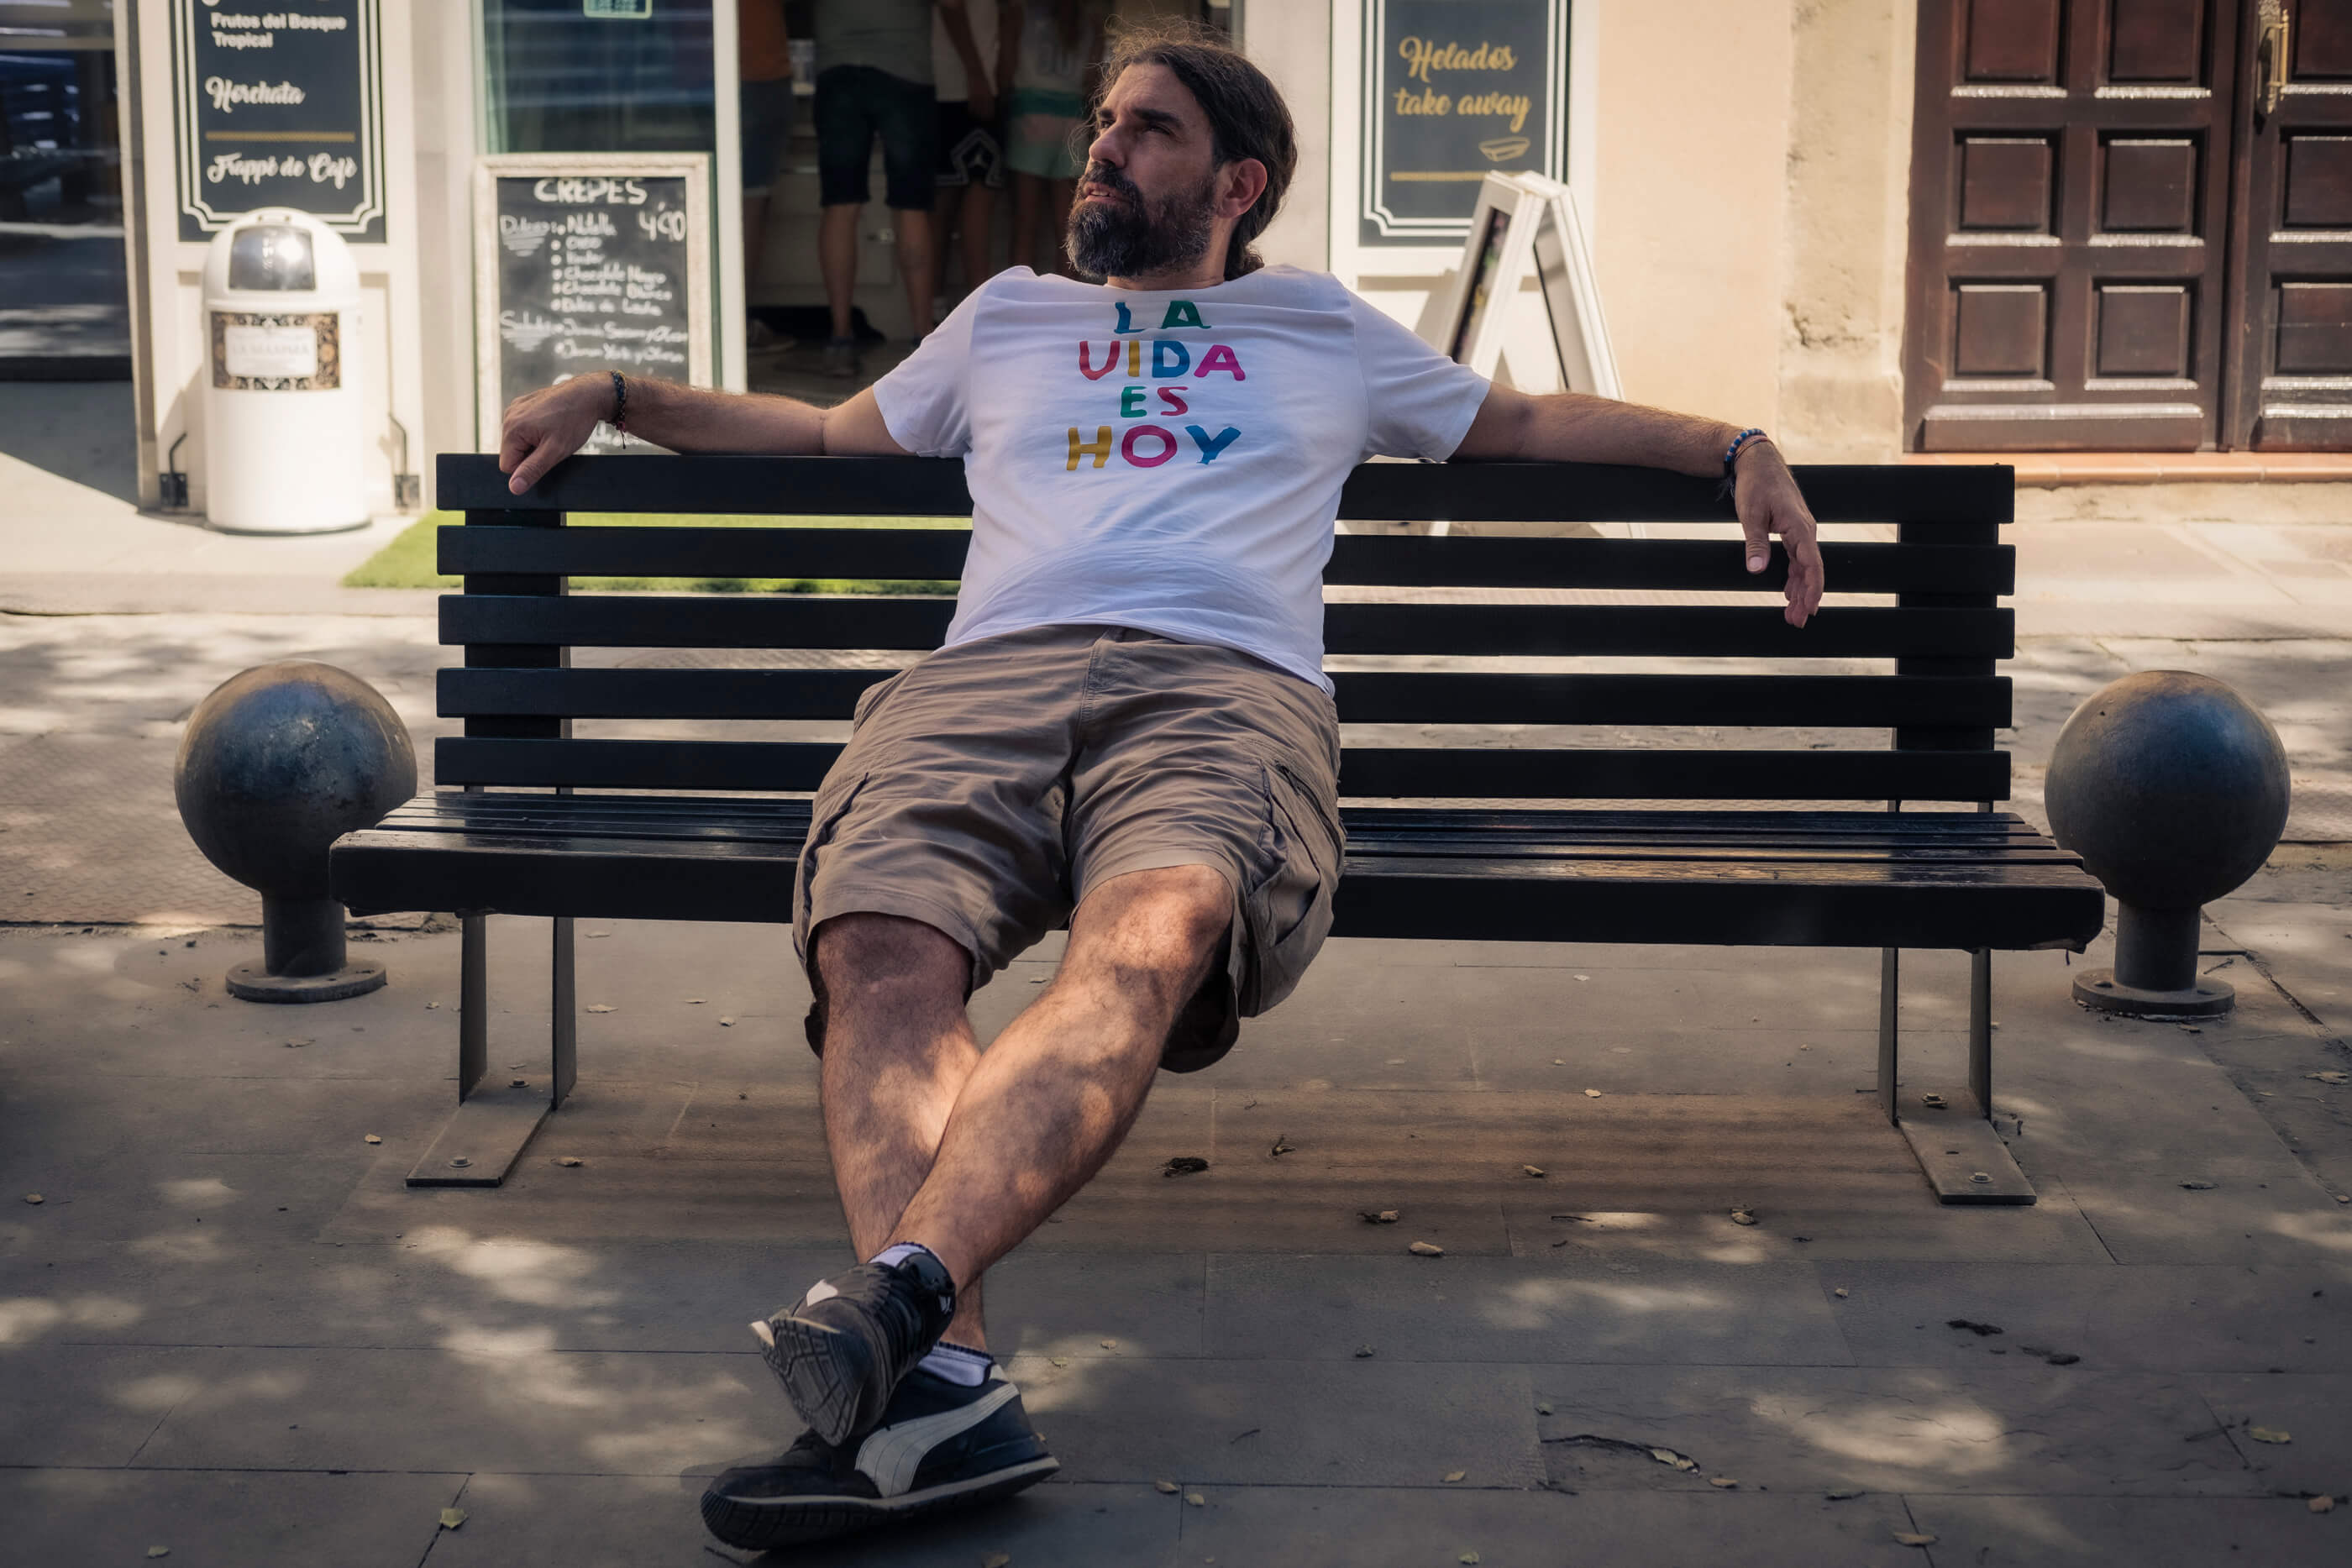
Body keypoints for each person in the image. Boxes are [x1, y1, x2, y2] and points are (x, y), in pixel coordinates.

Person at [495, 20, 1826, 1553]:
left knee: (1151, 929)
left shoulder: (1323, 329)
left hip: (1220, 695)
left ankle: (902, 1320)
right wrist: (611, 387)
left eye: (1148, 129)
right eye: (1106, 121)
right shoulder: (1005, 317)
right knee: (877, 942)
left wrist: (1734, 440)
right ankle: (940, 1389)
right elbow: (815, 427)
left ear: (1237, 181)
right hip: (983, 687)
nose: (1103, 146)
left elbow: (1521, 421)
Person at [811, 0, 971, 375]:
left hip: (837, 69)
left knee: (840, 205)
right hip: (905, 70)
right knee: (911, 206)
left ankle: (840, 340)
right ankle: (922, 339)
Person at [930, 0, 1018, 313]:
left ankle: (941, 304)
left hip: (959, 85)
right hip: (967, 88)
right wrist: (979, 76)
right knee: (973, 198)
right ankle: (975, 307)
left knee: (948, 201)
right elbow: (951, 8)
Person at [1004, 0, 1105, 275]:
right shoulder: (1089, 20)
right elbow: (1093, 81)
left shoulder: (1020, 12)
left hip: (1029, 115)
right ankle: (1066, 299)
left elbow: (1007, 65)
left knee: (1025, 224)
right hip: (1071, 121)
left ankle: (1019, 298)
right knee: (1068, 225)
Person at [738, 0, 795, 353]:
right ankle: (736, 323)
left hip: (688, 70)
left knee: (694, 197)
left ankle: (714, 320)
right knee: (750, 204)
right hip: (760, 74)